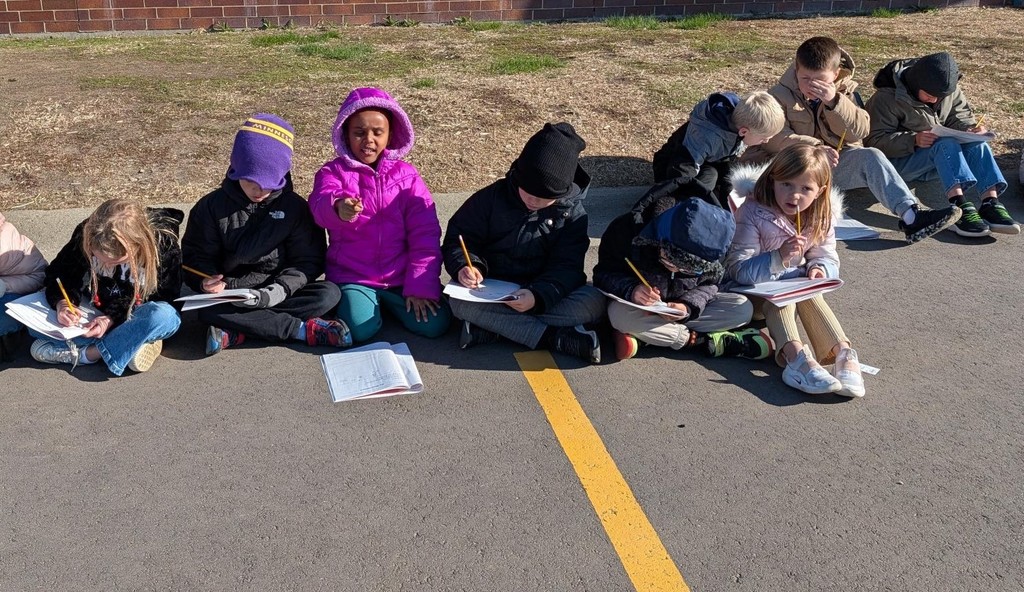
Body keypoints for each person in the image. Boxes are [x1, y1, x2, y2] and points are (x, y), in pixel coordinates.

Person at [744, 36, 961, 243]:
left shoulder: (846, 92)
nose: (812, 85)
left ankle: (912, 217)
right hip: (795, 171)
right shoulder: (777, 95)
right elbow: (774, 138)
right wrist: (816, 148)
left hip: (834, 165)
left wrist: (834, 102)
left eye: (820, 80)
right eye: (805, 79)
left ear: (836, 74)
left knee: (871, 156)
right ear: (796, 70)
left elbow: (861, 131)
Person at [182, 113, 349, 356]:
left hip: (277, 289)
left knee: (328, 294)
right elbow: (194, 257)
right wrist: (204, 280)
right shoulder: (210, 207)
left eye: (270, 182)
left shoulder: (294, 208)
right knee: (205, 310)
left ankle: (238, 330)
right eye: (251, 180)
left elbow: (308, 261)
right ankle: (298, 330)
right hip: (230, 292)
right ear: (236, 169)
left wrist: (277, 291)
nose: (259, 190)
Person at [441, 122, 605, 363]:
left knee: (594, 302)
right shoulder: (490, 198)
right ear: (518, 176)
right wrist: (468, 266)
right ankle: (555, 339)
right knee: (457, 302)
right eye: (528, 191)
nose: (534, 200)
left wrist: (538, 296)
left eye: (545, 197)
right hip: (491, 290)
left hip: (541, 293)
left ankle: (492, 329)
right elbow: (459, 239)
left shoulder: (573, 215)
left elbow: (567, 268)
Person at [309, 87, 451, 344]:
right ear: (345, 134)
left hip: (401, 276)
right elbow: (319, 206)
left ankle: (391, 305)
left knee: (437, 324)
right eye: (359, 133)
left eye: (378, 132)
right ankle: (364, 305)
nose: (369, 140)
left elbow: (425, 234)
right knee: (361, 330)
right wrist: (338, 207)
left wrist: (420, 286)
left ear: (391, 134)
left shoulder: (407, 176)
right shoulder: (333, 172)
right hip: (354, 276)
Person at [725, 144, 863, 397]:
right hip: (750, 297)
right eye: (786, 184)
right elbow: (737, 270)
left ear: (820, 192)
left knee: (806, 290)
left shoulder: (821, 215)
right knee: (787, 296)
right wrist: (778, 258)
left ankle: (842, 352)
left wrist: (820, 268)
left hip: (788, 288)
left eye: (805, 189)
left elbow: (826, 254)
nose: (795, 195)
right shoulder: (752, 212)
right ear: (773, 179)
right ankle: (796, 358)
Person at [593, 196, 771, 362]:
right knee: (619, 316)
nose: (675, 269)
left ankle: (646, 338)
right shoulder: (627, 230)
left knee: (742, 309)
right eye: (668, 260)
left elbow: (711, 284)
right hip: (637, 308)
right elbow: (603, 274)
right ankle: (704, 340)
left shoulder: (716, 242)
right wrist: (632, 289)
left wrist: (688, 306)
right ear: (661, 239)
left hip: (680, 313)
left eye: (688, 269)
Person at [865, 51, 1019, 237]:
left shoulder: (947, 90)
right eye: (930, 95)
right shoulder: (886, 98)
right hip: (899, 165)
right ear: (916, 83)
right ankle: (959, 206)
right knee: (945, 143)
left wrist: (970, 129)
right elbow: (873, 141)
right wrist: (913, 140)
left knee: (978, 143)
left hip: (938, 162)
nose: (936, 100)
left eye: (942, 96)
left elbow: (960, 116)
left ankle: (990, 203)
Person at [30, 199, 183, 375]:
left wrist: (113, 318)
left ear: (138, 244)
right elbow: (59, 274)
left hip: (134, 314)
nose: (107, 266)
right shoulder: (87, 233)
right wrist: (63, 303)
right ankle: (131, 343)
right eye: (100, 260)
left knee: (162, 317)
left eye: (117, 262)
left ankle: (89, 354)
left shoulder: (163, 244)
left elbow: (166, 298)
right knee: (34, 325)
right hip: (95, 311)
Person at [641, 91, 785, 213]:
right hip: (674, 165)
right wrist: (677, 198)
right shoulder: (706, 137)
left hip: (707, 161)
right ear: (744, 131)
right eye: (764, 138)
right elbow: (681, 169)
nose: (766, 142)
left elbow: (726, 162)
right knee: (708, 180)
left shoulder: (737, 125)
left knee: (726, 184)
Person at [0, 212, 47, 362]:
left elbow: (41, 276)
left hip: (20, 291)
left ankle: (12, 337)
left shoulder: (4, 248)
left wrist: (5, 285)